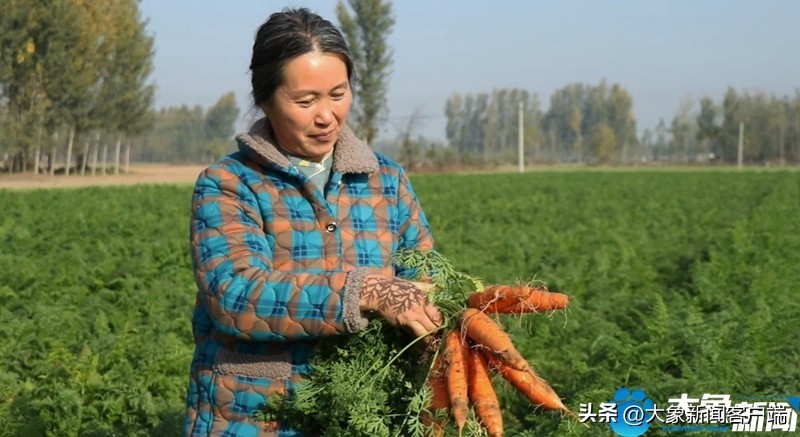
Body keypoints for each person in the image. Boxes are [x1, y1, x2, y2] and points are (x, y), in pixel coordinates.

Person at [183, 7, 443, 437]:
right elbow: (235, 296)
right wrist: (368, 291)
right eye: (306, 102)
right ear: (266, 98)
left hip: (364, 415)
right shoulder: (230, 183)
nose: (326, 116)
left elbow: (424, 275)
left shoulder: (386, 180)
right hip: (257, 414)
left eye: (338, 94)